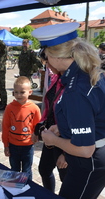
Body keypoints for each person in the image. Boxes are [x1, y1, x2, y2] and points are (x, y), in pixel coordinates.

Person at [32, 22, 105, 199]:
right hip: (99, 156)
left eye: (46, 55)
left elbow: (85, 149)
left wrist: (53, 140)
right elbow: (89, 117)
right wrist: (62, 128)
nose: (46, 61)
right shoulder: (87, 72)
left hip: (90, 162)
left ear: (55, 56)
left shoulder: (75, 89)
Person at [36, 53, 67, 192]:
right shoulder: (55, 78)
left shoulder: (72, 84)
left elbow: (77, 121)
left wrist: (66, 154)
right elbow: (49, 106)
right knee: (44, 169)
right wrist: (41, 123)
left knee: (65, 176)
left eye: (48, 62)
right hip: (52, 134)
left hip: (66, 139)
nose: (46, 66)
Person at [1, 76, 41, 180]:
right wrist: (6, 145)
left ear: (30, 92)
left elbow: (38, 126)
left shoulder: (34, 108)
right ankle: (15, 190)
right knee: (14, 169)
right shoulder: (9, 107)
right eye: (16, 92)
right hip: (13, 146)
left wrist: (36, 136)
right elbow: (5, 127)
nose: (18, 95)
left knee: (27, 170)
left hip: (28, 146)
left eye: (22, 92)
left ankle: (28, 189)